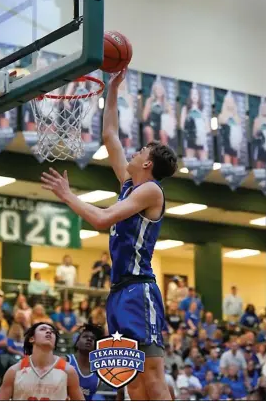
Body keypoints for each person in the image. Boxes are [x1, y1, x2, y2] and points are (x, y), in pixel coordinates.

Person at [41, 68, 178, 401]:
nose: (134, 151)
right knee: (129, 377)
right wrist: (113, 88)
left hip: (138, 290)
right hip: (118, 293)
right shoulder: (131, 185)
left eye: (141, 151)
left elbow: (102, 220)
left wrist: (68, 195)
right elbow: (111, 134)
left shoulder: (152, 192)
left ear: (148, 164)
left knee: (153, 374)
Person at [0, 322, 84, 400]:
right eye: (42, 329)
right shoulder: (15, 371)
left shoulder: (68, 371)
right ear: (32, 338)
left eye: (52, 332)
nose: (49, 332)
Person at [68, 324, 104, 400]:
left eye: (93, 338)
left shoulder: (99, 372)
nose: (89, 339)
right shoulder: (66, 361)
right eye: (85, 337)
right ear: (77, 343)